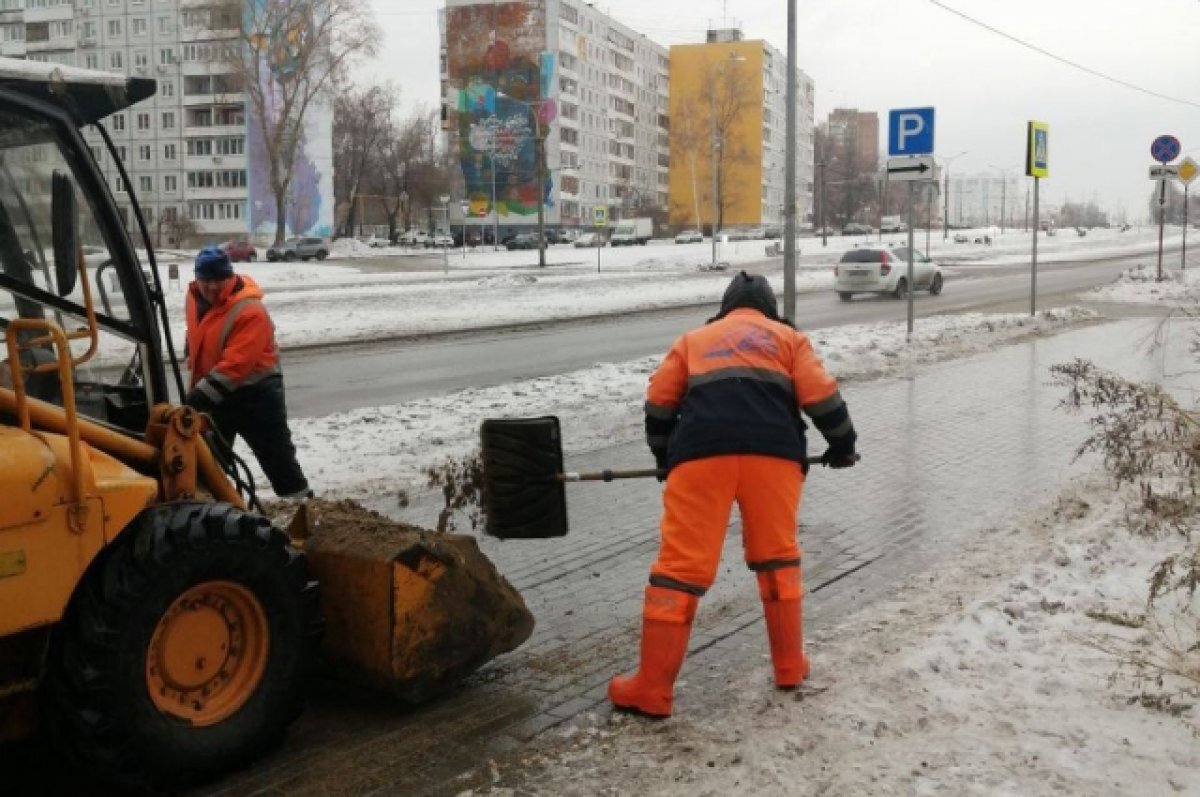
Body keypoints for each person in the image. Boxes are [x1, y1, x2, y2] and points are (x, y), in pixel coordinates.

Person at [609, 271, 857, 718]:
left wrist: (665, 456)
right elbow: (822, 397)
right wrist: (842, 446)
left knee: (680, 567)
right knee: (778, 558)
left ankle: (652, 688)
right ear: (769, 309)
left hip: (701, 458)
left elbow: (659, 403)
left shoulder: (694, 341)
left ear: (725, 308)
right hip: (774, 458)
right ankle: (788, 666)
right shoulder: (789, 340)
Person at [184, 245, 311, 499]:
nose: (212, 286)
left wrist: (198, 397)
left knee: (278, 460)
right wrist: (190, 347)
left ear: (230, 276)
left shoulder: (250, 310)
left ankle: (302, 508)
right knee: (210, 461)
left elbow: (236, 365)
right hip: (218, 395)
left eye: (219, 279)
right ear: (197, 278)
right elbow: (198, 331)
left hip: (257, 396)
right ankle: (216, 508)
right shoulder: (194, 298)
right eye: (206, 279)